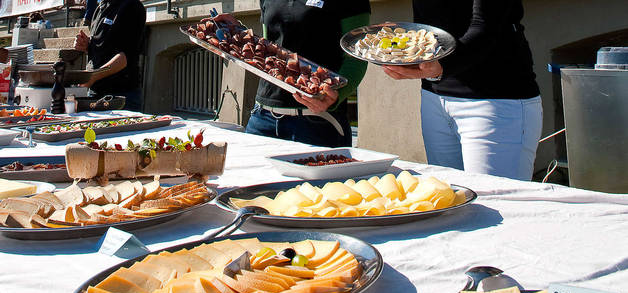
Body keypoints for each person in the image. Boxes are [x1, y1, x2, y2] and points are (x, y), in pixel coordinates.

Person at [382, 0, 542, 181]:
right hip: (434, 98)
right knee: (447, 199)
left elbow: (485, 28)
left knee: (497, 200)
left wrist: (442, 66)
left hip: (495, 101)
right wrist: (396, 45)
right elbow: (428, 26)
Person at [217, 1, 370, 148]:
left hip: (317, 123)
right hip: (262, 118)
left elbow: (356, 59)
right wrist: (236, 32)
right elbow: (269, 49)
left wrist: (337, 94)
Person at [74, 0, 145, 111]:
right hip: (95, 94)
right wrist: (87, 45)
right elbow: (104, 48)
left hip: (121, 98)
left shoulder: (132, 6)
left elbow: (124, 58)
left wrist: (92, 77)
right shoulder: (100, 7)